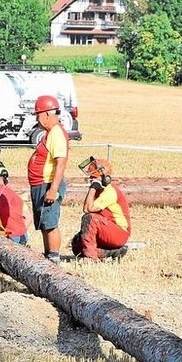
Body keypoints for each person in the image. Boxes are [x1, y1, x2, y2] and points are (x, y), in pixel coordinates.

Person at [27, 94, 70, 262]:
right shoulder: (50, 133)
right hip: (40, 184)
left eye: (38, 115)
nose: (37, 119)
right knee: (45, 223)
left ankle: (53, 257)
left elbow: (61, 163)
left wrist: (52, 190)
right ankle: (48, 255)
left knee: (50, 223)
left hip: (48, 184)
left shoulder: (56, 133)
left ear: (46, 114)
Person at [71, 157, 130, 261]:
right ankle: (112, 252)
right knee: (77, 244)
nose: (91, 179)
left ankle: (90, 257)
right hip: (106, 229)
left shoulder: (109, 191)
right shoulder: (99, 191)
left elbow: (87, 209)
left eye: (93, 177)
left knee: (89, 218)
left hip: (119, 233)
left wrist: (93, 187)